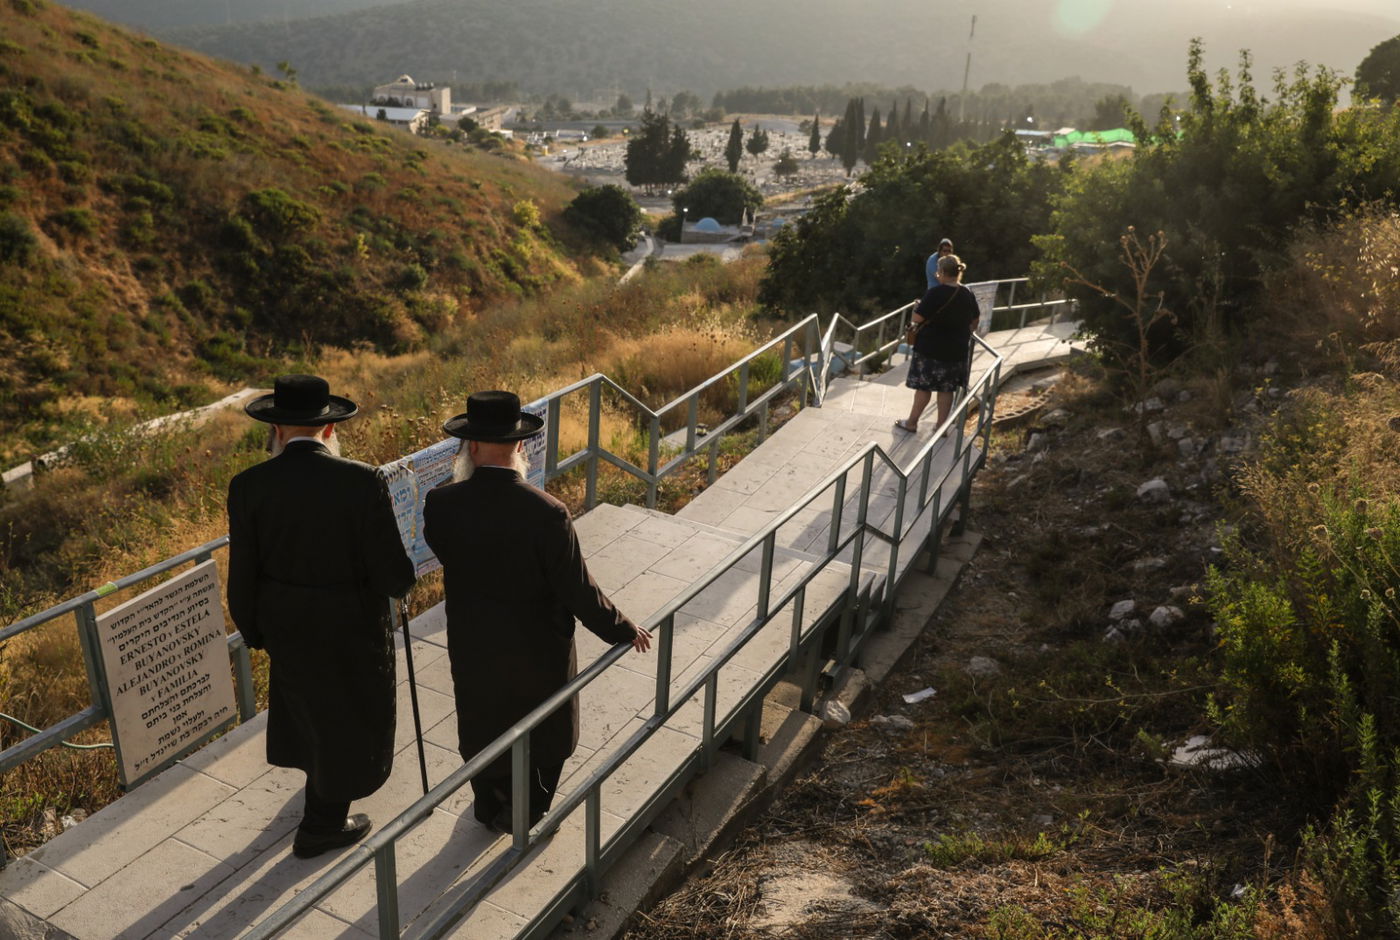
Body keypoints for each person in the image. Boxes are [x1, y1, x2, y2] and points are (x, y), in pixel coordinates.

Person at [423, 390, 652, 833]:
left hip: (474, 644)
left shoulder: (441, 504)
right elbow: (578, 590)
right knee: (544, 728)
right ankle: (529, 812)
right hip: (538, 647)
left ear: (469, 447)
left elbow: (444, 550)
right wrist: (623, 629)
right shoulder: (548, 513)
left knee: (482, 720)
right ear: (521, 447)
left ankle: (489, 808)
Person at [226, 374, 415, 859]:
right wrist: (402, 582)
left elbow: (242, 575)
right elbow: (393, 574)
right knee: (349, 719)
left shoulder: (248, 486)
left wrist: (254, 630)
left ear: (276, 431)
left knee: (310, 708)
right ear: (330, 430)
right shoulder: (363, 480)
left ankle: (319, 797)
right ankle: (322, 827)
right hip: (351, 627)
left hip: (287, 625)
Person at [896, 254, 981, 433]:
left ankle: (912, 423)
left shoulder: (935, 293)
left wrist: (918, 307)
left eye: (938, 272)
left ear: (942, 272)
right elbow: (975, 321)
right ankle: (941, 427)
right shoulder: (966, 293)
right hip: (956, 351)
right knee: (946, 389)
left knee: (923, 388)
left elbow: (917, 319)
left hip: (930, 350)